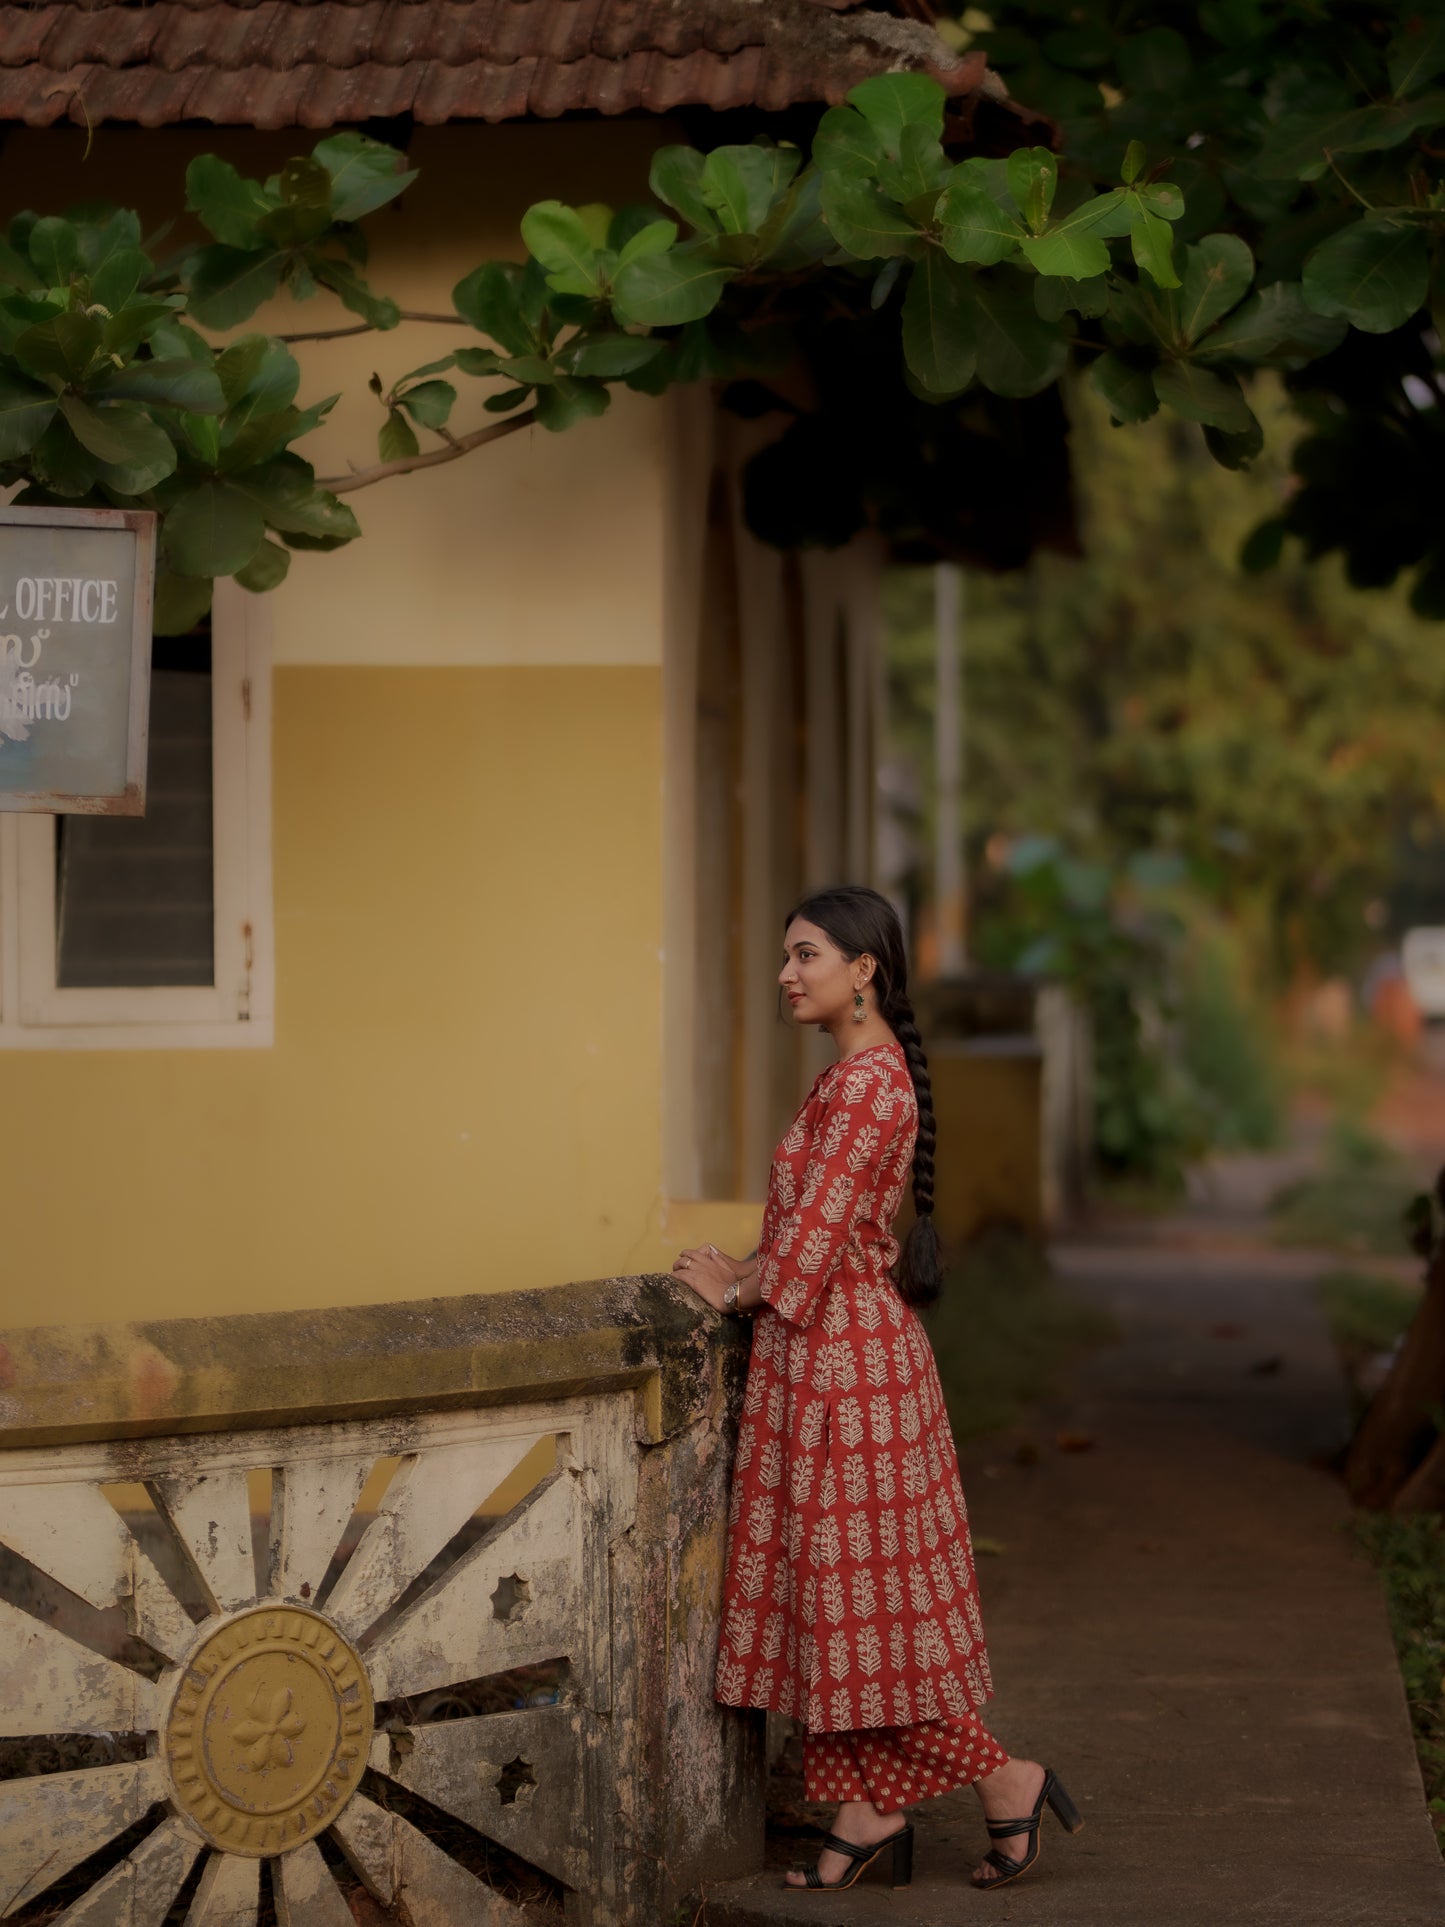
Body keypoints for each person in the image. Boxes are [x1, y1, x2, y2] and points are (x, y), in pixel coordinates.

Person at [673, 886, 1082, 1893]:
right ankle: (872, 1808)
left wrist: (733, 1286)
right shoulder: (855, 1077)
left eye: (804, 953)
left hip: (847, 1374)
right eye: (785, 954)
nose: (785, 972)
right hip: (831, 1359)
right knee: (844, 1614)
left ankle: (1004, 1778)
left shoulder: (865, 1086)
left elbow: (808, 1242)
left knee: (864, 1616)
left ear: (863, 969)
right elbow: (824, 1222)